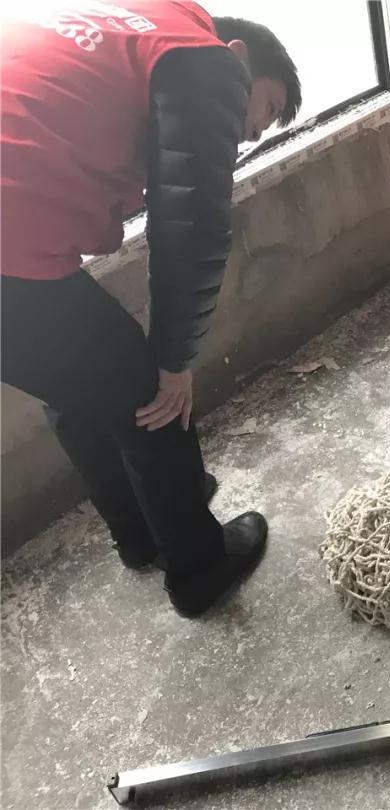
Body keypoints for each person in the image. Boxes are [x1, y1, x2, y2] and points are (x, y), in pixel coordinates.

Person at [1, 3, 301, 616]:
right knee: (151, 399)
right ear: (239, 57)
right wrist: (173, 361)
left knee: (77, 385)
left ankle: (140, 533)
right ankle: (200, 568)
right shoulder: (209, 63)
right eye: (266, 109)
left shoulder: (146, 19)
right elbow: (191, 229)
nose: (254, 134)